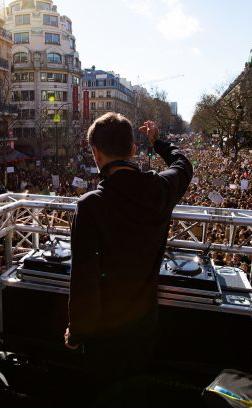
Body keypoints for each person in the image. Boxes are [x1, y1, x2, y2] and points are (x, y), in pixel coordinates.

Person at [64, 115, 193, 400]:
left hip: (103, 333)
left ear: (96, 153)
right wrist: (158, 142)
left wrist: (76, 332)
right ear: (133, 150)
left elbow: (83, 279)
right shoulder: (159, 189)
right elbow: (183, 165)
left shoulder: (90, 206)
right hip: (144, 325)